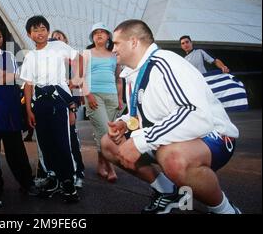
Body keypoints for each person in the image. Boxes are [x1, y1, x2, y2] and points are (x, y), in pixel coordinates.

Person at [101, 19, 241, 214]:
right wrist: (125, 123)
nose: (112, 48)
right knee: (109, 143)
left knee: (173, 158)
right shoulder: (131, 74)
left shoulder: (166, 63)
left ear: (133, 42)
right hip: (175, 136)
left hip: (213, 135)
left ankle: (225, 210)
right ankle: (168, 192)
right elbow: (143, 115)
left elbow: (195, 114)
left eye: (116, 43)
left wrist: (143, 140)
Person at [20, 15, 82, 203]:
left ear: (48, 30)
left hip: (58, 102)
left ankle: (68, 182)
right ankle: (53, 178)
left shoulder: (58, 46)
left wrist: (76, 79)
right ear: (29, 34)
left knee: (63, 142)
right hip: (39, 103)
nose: (40, 33)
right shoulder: (30, 56)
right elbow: (28, 84)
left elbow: (78, 58)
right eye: (35, 30)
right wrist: (29, 110)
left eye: (43, 29)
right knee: (45, 143)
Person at [0, 21, 38, 200]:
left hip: (9, 110)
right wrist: (1, 77)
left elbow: (16, 77)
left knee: (16, 149)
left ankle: (26, 182)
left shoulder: (7, 55)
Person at [83, 22, 123, 183]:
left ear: (108, 36)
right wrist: (89, 95)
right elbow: (81, 77)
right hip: (94, 95)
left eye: (102, 32)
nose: (99, 35)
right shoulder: (87, 53)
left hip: (112, 96)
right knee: (103, 131)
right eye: (95, 33)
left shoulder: (114, 55)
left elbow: (118, 79)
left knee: (108, 131)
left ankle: (101, 163)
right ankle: (111, 167)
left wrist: (120, 98)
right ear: (92, 37)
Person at [49, 29, 85, 188]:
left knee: (71, 141)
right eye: (54, 38)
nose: (57, 40)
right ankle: (57, 173)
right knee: (54, 141)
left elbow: (76, 86)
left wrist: (74, 108)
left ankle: (78, 173)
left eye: (60, 38)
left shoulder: (72, 62)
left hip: (68, 105)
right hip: (53, 106)